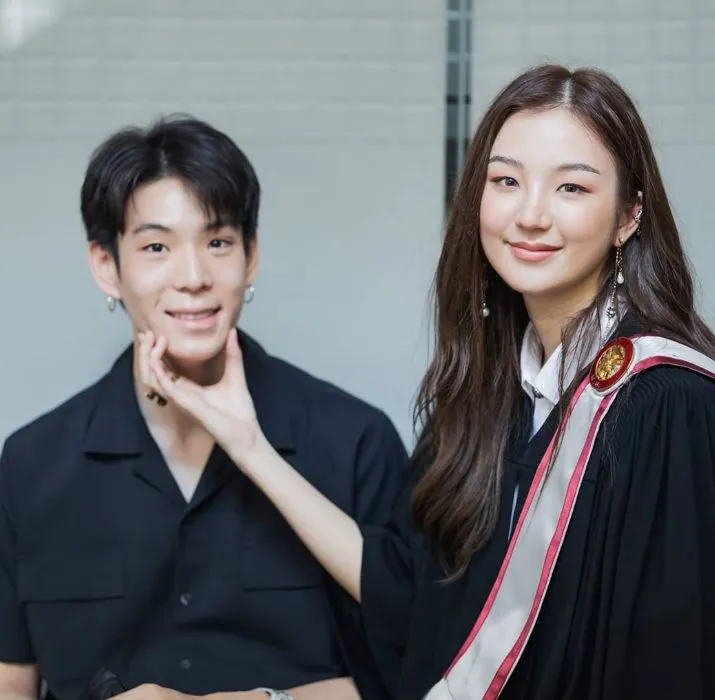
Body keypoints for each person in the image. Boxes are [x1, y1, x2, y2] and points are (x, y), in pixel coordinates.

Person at [134, 64, 715, 700]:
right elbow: (410, 597)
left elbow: (670, 664)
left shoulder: (662, 403)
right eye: (506, 181)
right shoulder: (490, 396)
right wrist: (248, 445)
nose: (530, 214)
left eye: (571, 188)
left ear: (629, 215)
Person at [0, 116, 409, 700]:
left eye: (218, 243)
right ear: (107, 267)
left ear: (251, 256)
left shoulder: (356, 442)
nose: (193, 277)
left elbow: (417, 670)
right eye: (156, 247)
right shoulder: (31, 464)